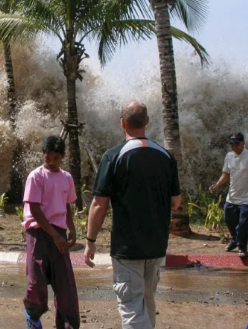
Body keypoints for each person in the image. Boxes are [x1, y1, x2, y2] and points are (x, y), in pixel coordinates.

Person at [84, 101, 181, 329]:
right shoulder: (166, 157)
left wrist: (90, 241)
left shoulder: (113, 156)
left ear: (122, 124)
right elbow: (176, 202)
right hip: (156, 246)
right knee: (147, 301)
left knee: (131, 308)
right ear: (147, 122)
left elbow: (99, 204)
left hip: (127, 247)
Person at [22, 135, 80, 329]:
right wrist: (54, 236)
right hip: (38, 233)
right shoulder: (36, 176)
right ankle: (32, 316)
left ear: (62, 157)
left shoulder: (66, 178)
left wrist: (71, 230)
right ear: (43, 155)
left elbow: (67, 207)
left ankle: (67, 324)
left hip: (59, 233)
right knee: (37, 280)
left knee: (65, 285)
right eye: (48, 157)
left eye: (56, 158)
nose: (51, 162)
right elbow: (36, 210)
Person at [209, 132, 248, 258]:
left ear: (243, 143)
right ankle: (234, 240)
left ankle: (242, 247)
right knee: (228, 219)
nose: (234, 146)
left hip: (247, 198)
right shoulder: (229, 156)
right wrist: (216, 185)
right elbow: (225, 173)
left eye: (236, 144)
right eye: (232, 144)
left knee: (243, 223)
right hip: (232, 197)